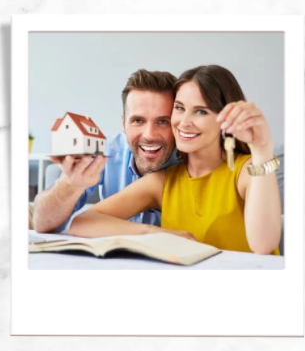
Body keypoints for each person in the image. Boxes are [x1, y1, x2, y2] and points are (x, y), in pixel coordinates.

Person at [68, 65, 282, 255]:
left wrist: (261, 148)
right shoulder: (163, 182)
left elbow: (263, 245)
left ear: (224, 119)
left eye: (200, 111)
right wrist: (154, 233)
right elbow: (82, 222)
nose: (184, 122)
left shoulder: (245, 171)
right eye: (179, 108)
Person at [31, 69, 180, 233]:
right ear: (123, 123)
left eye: (163, 121)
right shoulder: (104, 150)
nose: (149, 135)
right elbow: (42, 223)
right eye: (138, 120)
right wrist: (70, 184)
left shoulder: (191, 161)